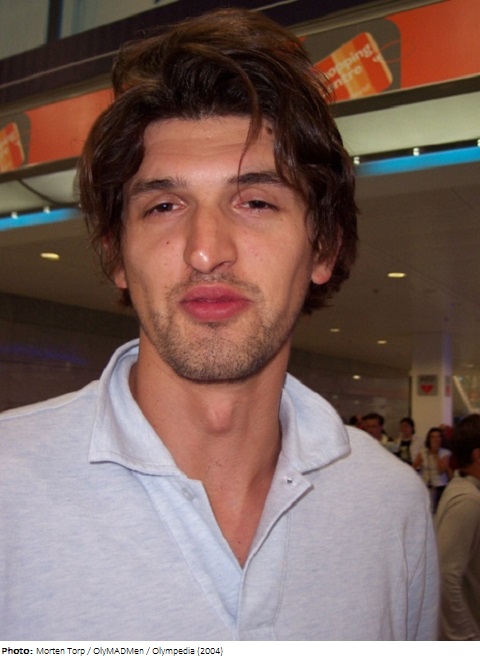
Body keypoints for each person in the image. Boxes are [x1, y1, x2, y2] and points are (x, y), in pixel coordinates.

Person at [0, 8, 438, 641]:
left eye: (255, 201)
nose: (206, 250)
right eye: (164, 205)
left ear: (323, 247)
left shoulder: (390, 504)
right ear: (116, 255)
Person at [436, 416, 480, 640]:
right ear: (477, 455)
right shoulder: (468, 501)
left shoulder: (464, 490)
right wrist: (466, 636)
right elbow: (446, 576)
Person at [413, 427, 451, 512]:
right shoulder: (423, 452)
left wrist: (435, 454)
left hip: (440, 485)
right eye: (433, 437)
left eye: (438, 437)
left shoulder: (445, 453)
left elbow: (441, 470)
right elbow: (414, 467)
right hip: (426, 484)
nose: (436, 439)